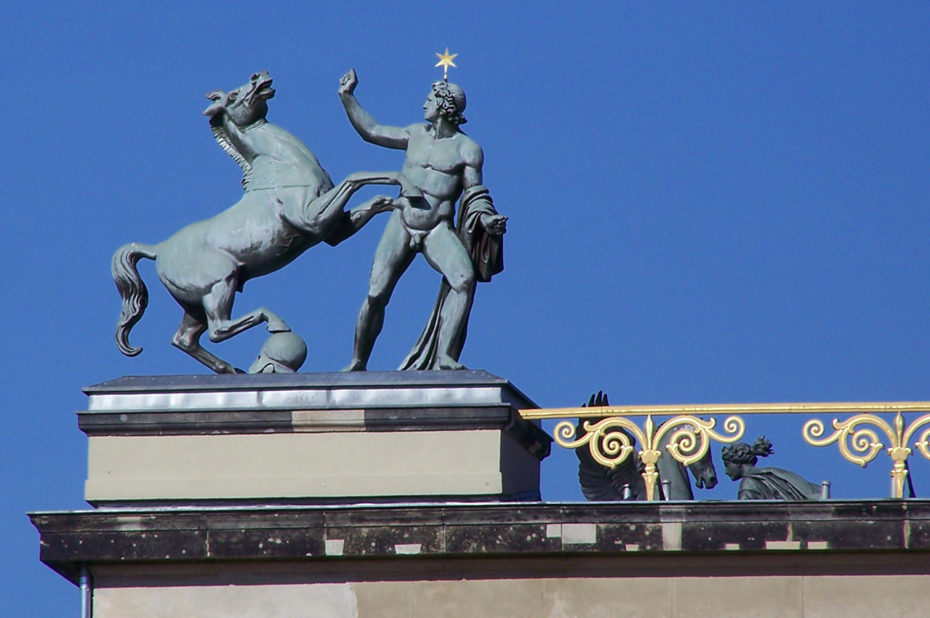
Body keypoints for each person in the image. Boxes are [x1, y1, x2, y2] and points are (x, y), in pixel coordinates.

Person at [338, 69, 507, 371]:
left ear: (444, 106)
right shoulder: (414, 134)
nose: (423, 104)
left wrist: (487, 219)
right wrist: (347, 97)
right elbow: (372, 130)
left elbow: (475, 192)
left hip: (436, 228)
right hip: (402, 221)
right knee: (376, 293)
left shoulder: (467, 149)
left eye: (429, 99)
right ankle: (358, 360)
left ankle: (445, 356)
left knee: (464, 281)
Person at [722, 436, 823, 500]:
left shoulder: (748, 483)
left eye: (727, 465)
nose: (726, 472)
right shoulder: (774, 475)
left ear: (737, 462)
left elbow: (742, 516)